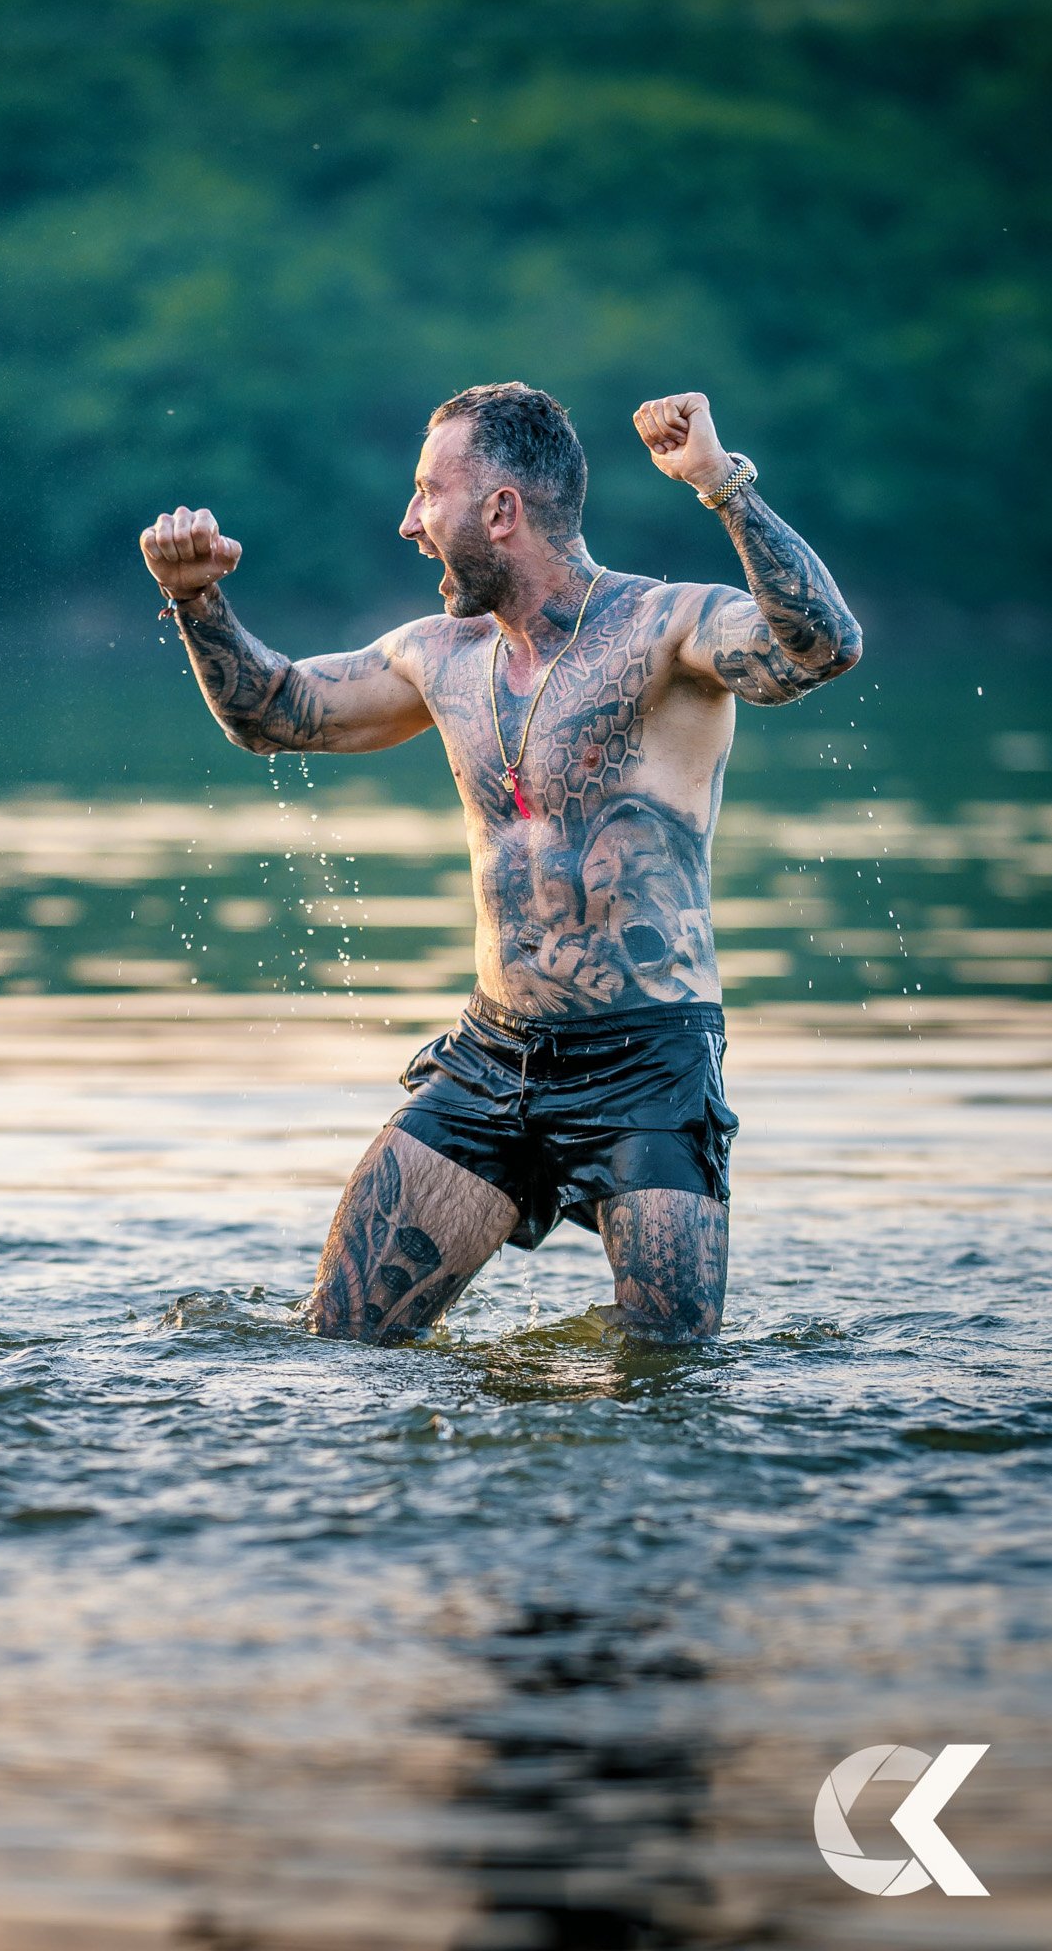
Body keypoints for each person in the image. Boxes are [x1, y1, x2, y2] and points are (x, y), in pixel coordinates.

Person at [139, 384, 861, 1344]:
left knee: (664, 1379)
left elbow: (820, 648)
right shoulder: (437, 655)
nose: (407, 523)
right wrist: (194, 598)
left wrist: (720, 485)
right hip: (492, 1063)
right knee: (342, 1347)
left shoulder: (666, 627)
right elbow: (270, 715)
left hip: (648, 1064)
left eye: (425, 494)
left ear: (501, 511)